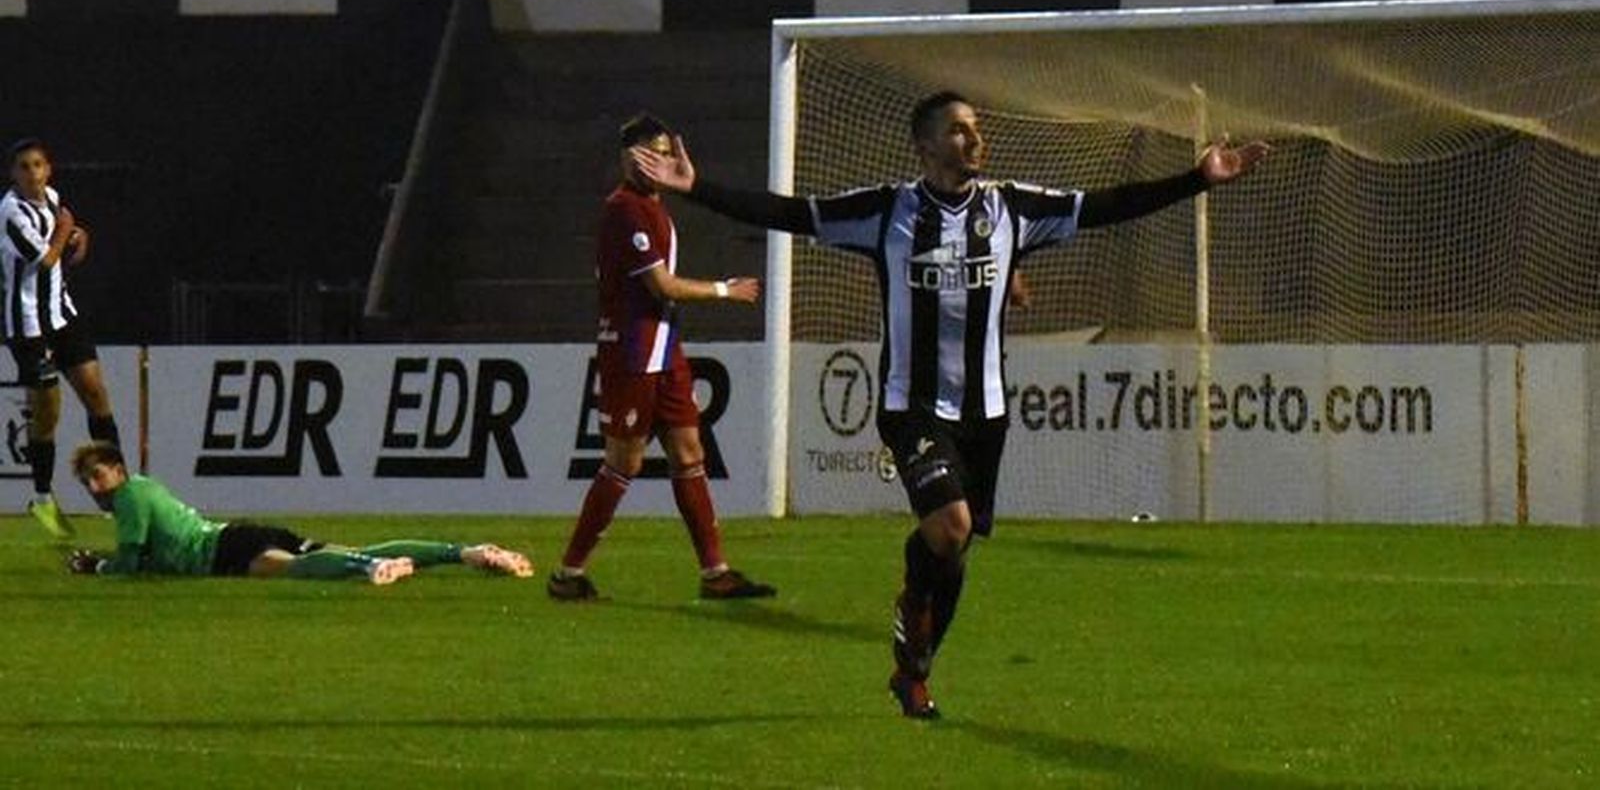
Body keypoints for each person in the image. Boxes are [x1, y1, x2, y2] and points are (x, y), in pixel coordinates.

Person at [631, 91, 1268, 718]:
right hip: (911, 406)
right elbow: (793, 213)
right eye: (958, 129)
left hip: (985, 413)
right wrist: (698, 188)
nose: (973, 138)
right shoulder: (888, 211)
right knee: (950, 527)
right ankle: (913, 600)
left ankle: (913, 672)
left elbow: (1106, 206)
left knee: (956, 551)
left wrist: (1197, 180)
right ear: (925, 145)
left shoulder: (1009, 208)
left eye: (975, 127)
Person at [547, 113, 777, 603]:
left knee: (690, 453)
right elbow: (662, 286)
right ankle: (568, 573)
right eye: (650, 152)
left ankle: (715, 572)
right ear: (628, 157)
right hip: (631, 353)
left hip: (664, 351)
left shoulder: (652, 207)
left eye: (665, 152)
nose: (659, 161)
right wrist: (725, 289)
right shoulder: (625, 210)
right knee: (623, 463)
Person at [65, 441, 533, 584]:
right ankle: (467, 553)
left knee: (294, 569)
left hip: (222, 552)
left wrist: (97, 566)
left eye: (98, 476)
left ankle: (368, 568)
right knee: (343, 551)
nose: (94, 487)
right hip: (237, 535)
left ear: (118, 470)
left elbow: (130, 562)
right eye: (87, 482)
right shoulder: (144, 488)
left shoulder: (127, 498)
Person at [2, 138, 122, 540]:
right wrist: (66, 229)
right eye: (23, 167)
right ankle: (42, 496)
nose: (32, 173)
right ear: (13, 174)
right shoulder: (11, 212)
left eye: (38, 165)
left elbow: (63, 239)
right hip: (28, 326)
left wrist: (78, 235)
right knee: (48, 409)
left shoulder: (52, 199)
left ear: (48, 169)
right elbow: (46, 260)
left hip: (61, 315)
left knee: (95, 393)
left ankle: (120, 492)